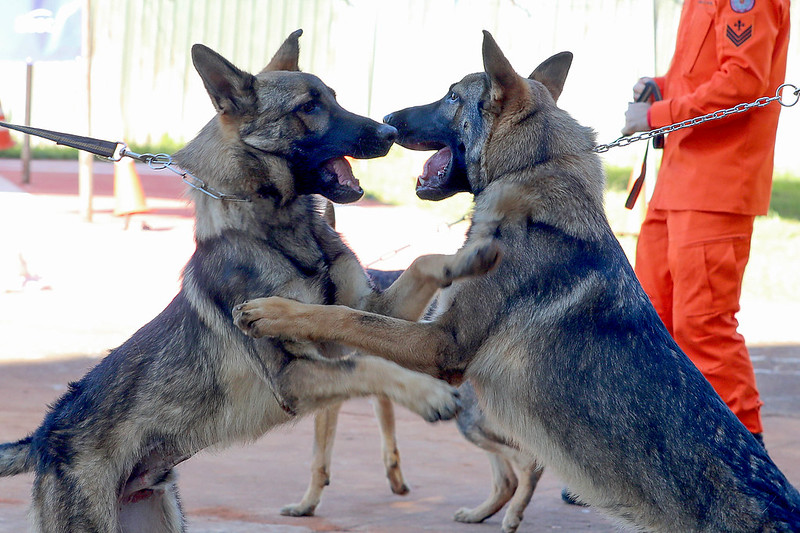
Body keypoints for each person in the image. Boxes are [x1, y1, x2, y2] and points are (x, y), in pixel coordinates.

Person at [622, 0, 791, 443]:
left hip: (716, 188)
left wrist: (657, 115)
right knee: (651, 321)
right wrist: (659, 88)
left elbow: (743, 84)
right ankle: (648, 459)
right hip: (678, 184)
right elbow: (701, 78)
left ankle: (748, 461)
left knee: (704, 325)